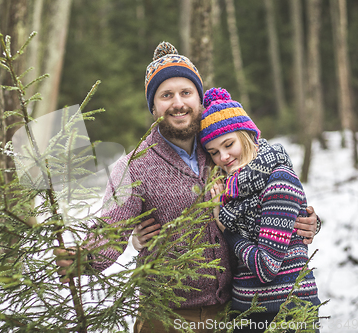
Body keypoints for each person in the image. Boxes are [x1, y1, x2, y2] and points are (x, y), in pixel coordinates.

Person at [55, 42, 319, 333]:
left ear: (199, 98)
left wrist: (306, 220)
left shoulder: (221, 149)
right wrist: (86, 257)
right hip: (167, 317)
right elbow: (112, 228)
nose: (178, 103)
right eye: (166, 95)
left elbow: (269, 195)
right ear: (153, 106)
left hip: (232, 312)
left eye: (186, 92)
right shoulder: (135, 165)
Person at [135, 87, 321, 332]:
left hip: (286, 312)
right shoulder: (229, 189)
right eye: (213, 152)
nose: (223, 156)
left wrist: (224, 226)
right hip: (243, 311)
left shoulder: (277, 179)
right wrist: (140, 238)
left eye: (228, 144)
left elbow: (266, 267)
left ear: (246, 134)